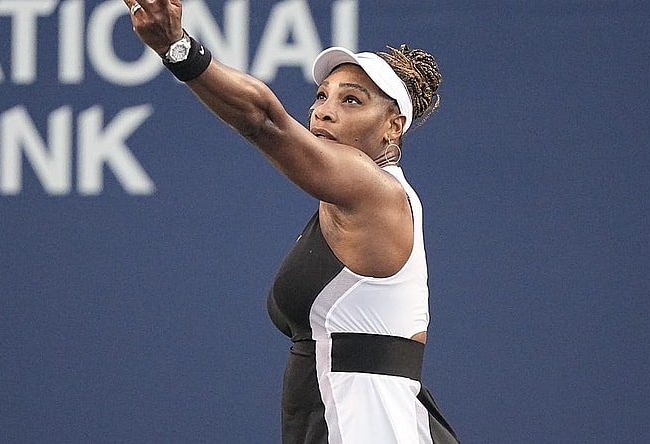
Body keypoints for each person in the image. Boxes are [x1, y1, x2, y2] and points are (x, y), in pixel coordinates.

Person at [121, 1, 459, 442]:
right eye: (322, 96)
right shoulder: (347, 202)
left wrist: (177, 48)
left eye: (351, 100)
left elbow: (264, 120)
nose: (324, 111)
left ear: (392, 127)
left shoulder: (375, 192)